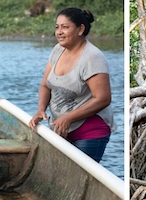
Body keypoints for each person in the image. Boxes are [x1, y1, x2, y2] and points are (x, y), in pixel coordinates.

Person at [29, 8, 115, 162]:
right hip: (61, 129)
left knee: (83, 179)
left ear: (80, 29)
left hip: (90, 132)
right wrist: (40, 110)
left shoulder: (92, 57)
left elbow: (103, 99)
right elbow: (45, 85)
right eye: (57, 27)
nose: (59, 32)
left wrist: (68, 118)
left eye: (65, 27)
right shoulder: (57, 50)